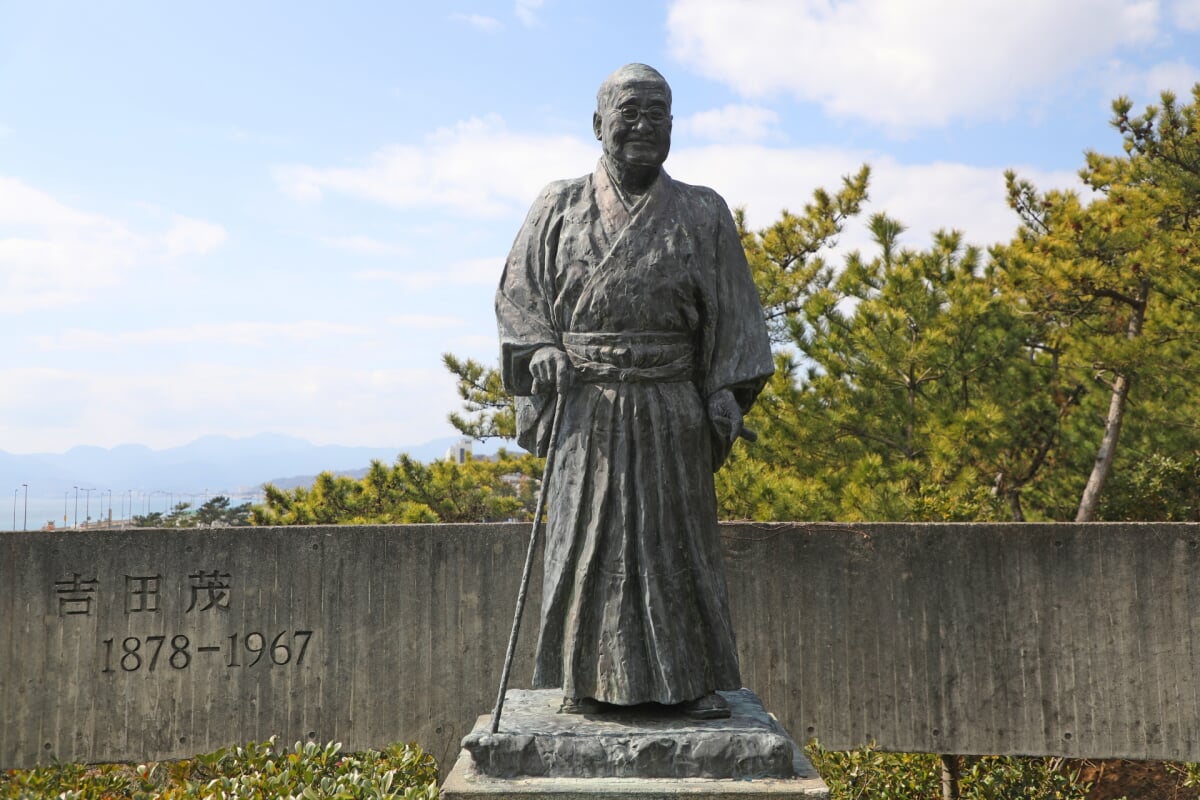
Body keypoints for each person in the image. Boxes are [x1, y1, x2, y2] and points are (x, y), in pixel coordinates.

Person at [496, 63, 773, 720]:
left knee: (675, 551)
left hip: (670, 409)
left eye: (658, 114)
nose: (644, 125)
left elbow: (737, 318)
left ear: (673, 127)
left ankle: (691, 681)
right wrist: (539, 352)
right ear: (599, 124)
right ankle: (582, 681)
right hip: (583, 409)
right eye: (630, 112)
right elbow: (518, 299)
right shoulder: (556, 207)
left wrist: (727, 392)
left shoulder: (703, 211)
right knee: (586, 549)